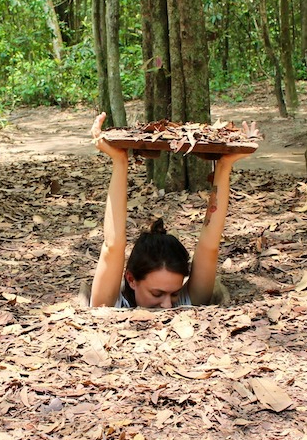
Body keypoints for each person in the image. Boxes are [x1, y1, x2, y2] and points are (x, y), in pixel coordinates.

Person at [88, 112, 252, 308]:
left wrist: (224, 166)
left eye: (174, 294)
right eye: (157, 293)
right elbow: (112, 246)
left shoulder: (186, 301)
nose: (167, 305)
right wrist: (120, 161)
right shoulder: (109, 303)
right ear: (131, 279)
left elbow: (210, 248)